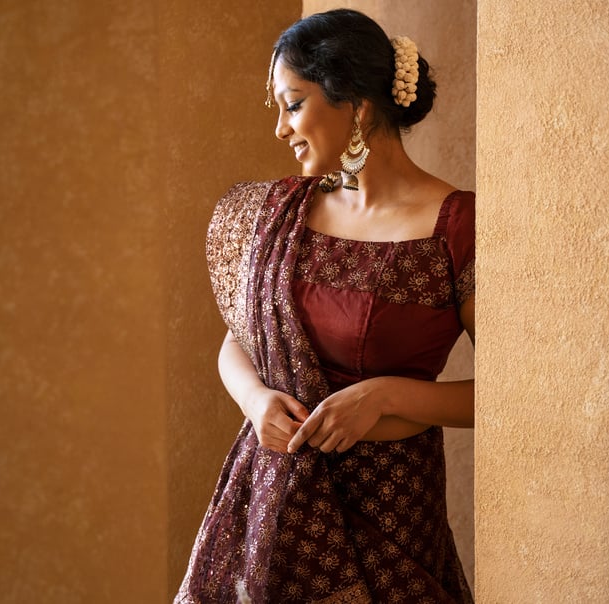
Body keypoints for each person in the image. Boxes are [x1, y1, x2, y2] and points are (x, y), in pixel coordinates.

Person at [175, 9, 475, 603]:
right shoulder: (281, 213)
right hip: (270, 506)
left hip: (390, 511)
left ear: (356, 107)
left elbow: (520, 394)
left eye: (293, 105)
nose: (282, 130)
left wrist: (387, 395)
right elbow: (239, 339)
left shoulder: (456, 227)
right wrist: (256, 401)